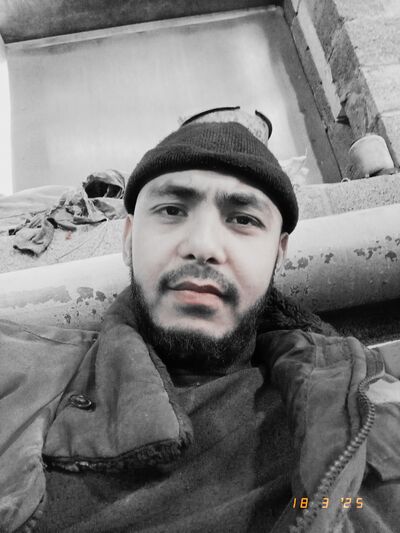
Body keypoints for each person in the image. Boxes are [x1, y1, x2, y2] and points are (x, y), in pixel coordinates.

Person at [1, 118, 399, 533]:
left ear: (279, 254)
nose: (203, 246)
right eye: (172, 210)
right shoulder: (20, 372)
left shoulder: (365, 410)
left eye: (243, 219)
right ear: (128, 238)